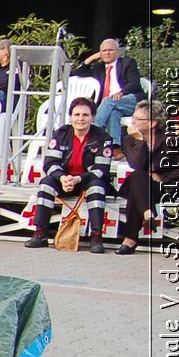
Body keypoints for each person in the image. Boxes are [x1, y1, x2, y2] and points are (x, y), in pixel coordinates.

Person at [25, 97, 117, 252]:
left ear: (92, 117)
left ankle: (96, 237)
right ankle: (40, 233)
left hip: (88, 180)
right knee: (46, 183)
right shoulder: (60, 134)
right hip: (65, 180)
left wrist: (78, 179)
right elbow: (49, 163)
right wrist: (62, 178)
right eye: (77, 115)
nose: (80, 119)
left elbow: (101, 169)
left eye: (85, 115)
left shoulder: (103, 138)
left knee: (96, 187)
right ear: (71, 117)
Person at [116, 101, 179, 255]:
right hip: (141, 185)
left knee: (137, 187)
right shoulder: (129, 139)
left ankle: (130, 239)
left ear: (153, 123)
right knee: (139, 175)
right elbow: (137, 164)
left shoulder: (169, 138)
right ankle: (148, 214)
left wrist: (164, 177)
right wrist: (140, 141)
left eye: (137, 119)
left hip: (164, 187)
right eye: (133, 117)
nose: (132, 122)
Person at [79, 38, 146, 146]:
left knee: (108, 102)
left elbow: (134, 83)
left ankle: (91, 134)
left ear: (118, 52)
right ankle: (115, 147)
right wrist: (92, 58)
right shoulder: (98, 67)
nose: (107, 53)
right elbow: (76, 73)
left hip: (131, 100)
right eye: (104, 51)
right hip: (112, 105)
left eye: (110, 50)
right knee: (114, 113)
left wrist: (122, 93)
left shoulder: (127, 63)